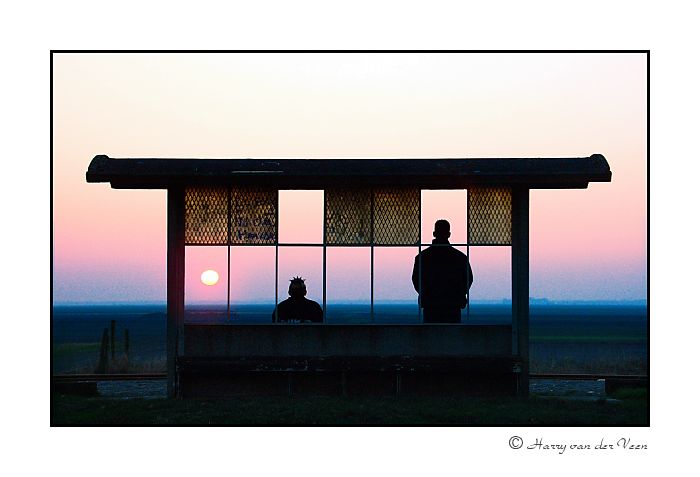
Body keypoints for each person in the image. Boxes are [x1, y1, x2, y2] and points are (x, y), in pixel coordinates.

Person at [412, 219, 473, 323]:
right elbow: (468, 279)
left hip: (431, 305)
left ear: (434, 233)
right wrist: (458, 294)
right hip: (453, 306)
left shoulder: (422, 257)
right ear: (449, 234)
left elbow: (416, 280)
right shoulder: (460, 257)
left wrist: (427, 294)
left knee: (431, 337)